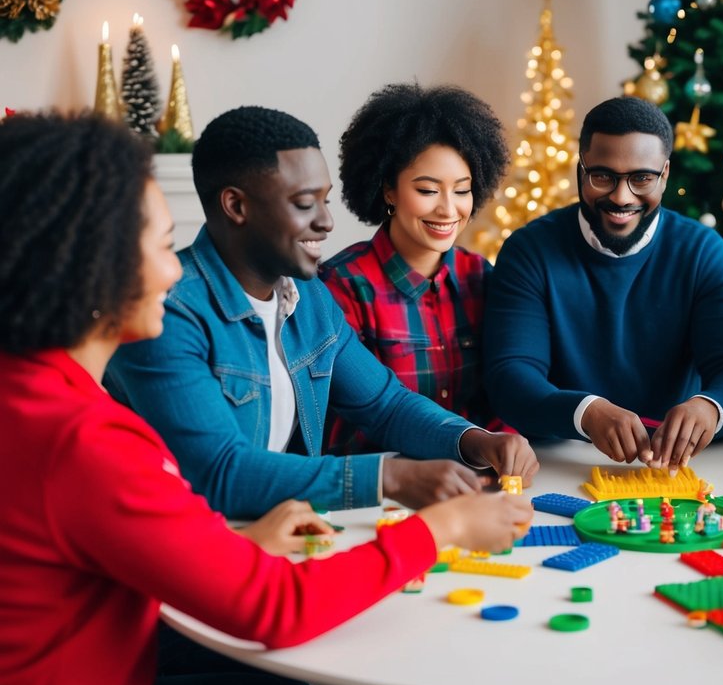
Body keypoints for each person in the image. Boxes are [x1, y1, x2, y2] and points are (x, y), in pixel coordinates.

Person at [0, 114, 532, 685]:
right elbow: (271, 601)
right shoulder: (88, 439)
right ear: (91, 262)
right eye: (158, 245)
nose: (174, 268)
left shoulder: (31, 395)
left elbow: (380, 400)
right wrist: (442, 526)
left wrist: (467, 438)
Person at [105, 106, 537, 520]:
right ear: (236, 206)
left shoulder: (306, 295)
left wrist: (474, 440)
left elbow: (384, 403)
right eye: (304, 203)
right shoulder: (167, 312)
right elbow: (220, 472)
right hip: (191, 551)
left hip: (286, 531)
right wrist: (387, 477)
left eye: (325, 200)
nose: (327, 222)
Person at [482, 96, 723, 469]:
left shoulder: (703, 252)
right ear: (580, 171)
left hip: (680, 468)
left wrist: (709, 407)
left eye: (641, 179)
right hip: (559, 463)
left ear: (664, 175)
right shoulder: (530, 251)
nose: (620, 196)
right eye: (603, 176)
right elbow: (510, 377)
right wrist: (585, 411)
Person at [321, 84, 513, 456]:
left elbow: (504, 393)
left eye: (462, 190)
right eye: (427, 190)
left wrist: (500, 445)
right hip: (381, 489)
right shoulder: (342, 286)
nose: (448, 209)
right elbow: (364, 414)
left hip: (477, 480)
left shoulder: (480, 277)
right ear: (388, 190)